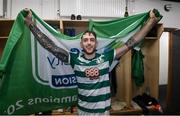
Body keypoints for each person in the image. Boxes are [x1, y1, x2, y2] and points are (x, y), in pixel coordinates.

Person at [24, 8, 160, 115]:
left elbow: (131, 43)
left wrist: (151, 22)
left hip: (103, 112)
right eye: (85, 40)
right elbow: (50, 46)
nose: (89, 43)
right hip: (83, 112)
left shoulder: (106, 56)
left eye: (92, 40)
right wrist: (31, 24)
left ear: (95, 43)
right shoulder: (75, 59)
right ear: (82, 45)